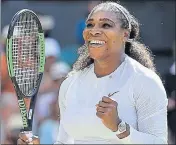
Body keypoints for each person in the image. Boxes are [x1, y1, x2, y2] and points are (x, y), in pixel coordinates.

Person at [17, 1, 168, 144]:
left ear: (125, 35)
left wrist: (119, 127)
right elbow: (64, 141)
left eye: (106, 25)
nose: (95, 30)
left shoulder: (145, 81)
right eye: (90, 25)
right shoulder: (70, 84)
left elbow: (160, 142)